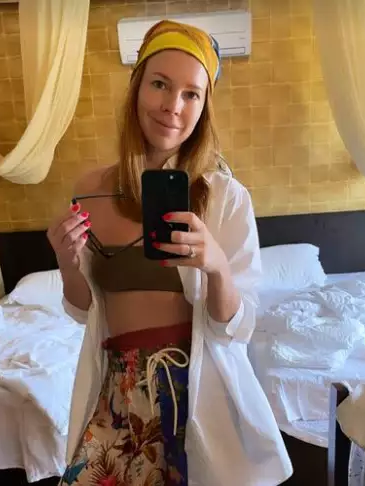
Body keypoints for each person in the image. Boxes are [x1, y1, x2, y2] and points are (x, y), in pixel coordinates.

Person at [47, 19, 292, 486]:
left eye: (191, 94)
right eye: (160, 84)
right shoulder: (90, 189)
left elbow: (236, 327)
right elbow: (83, 311)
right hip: (116, 390)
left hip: (192, 391)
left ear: (204, 107)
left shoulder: (225, 197)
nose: (172, 106)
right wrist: (65, 260)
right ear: (137, 88)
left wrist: (216, 266)